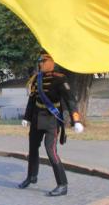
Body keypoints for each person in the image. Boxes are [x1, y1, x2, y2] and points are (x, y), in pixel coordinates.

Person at [18, 49, 85, 196]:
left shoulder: (60, 79)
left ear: (50, 62)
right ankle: (31, 176)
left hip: (51, 120)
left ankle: (62, 184)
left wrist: (76, 120)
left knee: (51, 151)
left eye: (42, 61)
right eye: (39, 62)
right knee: (32, 149)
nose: (40, 64)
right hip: (36, 118)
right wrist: (27, 117)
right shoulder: (37, 79)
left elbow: (70, 100)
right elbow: (32, 99)